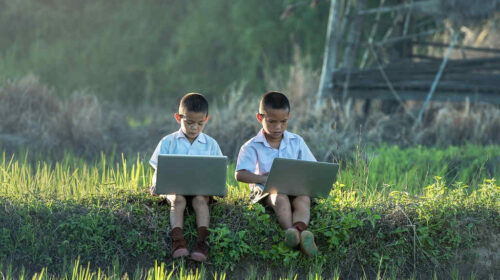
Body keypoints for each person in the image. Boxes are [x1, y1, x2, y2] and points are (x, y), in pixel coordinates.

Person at [235, 91, 319, 256]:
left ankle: (298, 232)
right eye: (272, 122)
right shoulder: (252, 146)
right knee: (279, 197)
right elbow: (240, 174)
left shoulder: (296, 141)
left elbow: (312, 167)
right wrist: (263, 179)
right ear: (260, 118)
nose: (278, 127)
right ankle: (291, 231)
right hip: (266, 188)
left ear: (288, 117)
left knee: (303, 199)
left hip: (294, 186)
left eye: (283, 121)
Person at [149, 93, 223, 262]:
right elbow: (158, 169)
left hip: (200, 190)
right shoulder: (168, 142)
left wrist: (220, 187)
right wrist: (156, 185)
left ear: (207, 119)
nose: (194, 128)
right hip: (174, 188)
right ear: (178, 117)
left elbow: (216, 170)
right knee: (178, 199)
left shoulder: (211, 144)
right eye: (189, 122)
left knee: (200, 200)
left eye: (200, 123)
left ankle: (202, 241)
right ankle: (178, 241)